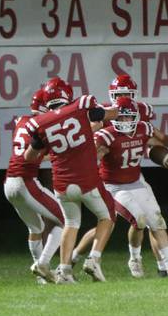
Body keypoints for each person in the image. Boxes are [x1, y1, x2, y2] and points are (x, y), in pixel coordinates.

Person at [23, 77, 118, 283]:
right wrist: (121, 109)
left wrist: (50, 146)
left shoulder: (41, 122)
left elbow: (29, 157)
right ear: (67, 93)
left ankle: (65, 270)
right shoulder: (80, 106)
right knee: (108, 216)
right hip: (86, 179)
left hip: (62, 184)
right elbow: (104, 116)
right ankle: (94, 259)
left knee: (71, 222)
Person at [93, 96, 168, 278]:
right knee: (138, 220)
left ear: (135, 117)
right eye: (121, 117)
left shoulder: (143, 129)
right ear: (114, 117)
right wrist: (97, 155)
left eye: (128, 117)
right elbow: (90, 155)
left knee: (157, 220)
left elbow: (159, 140)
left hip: (136, 183)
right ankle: (134, 258)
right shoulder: (105, 135)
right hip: (114, 187)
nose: (124, 121)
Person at [3, 88, 64, 284]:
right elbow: (35, 154)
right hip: (25, 181)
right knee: (67, 219)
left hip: (9, 183)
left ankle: (42, 277)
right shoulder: (42, 125)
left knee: (35, 228)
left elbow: (31, 154)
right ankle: (43, 263)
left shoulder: (21, 121)